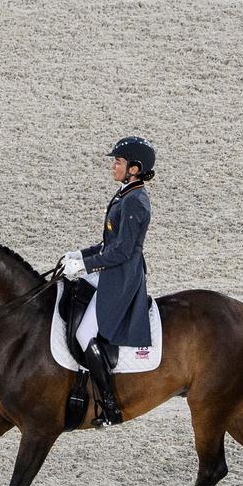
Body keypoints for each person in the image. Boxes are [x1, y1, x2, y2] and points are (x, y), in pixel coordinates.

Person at [58, 136, 156, 426]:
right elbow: (107, 244)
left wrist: (85, 264)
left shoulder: (136, 201)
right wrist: (80, 254)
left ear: (134, 169)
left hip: (122, 275)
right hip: (112, 267)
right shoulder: (126, 193)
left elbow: (123, 250)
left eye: (119, 162)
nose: (114, 166)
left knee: (84, 333)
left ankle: (109, 404)